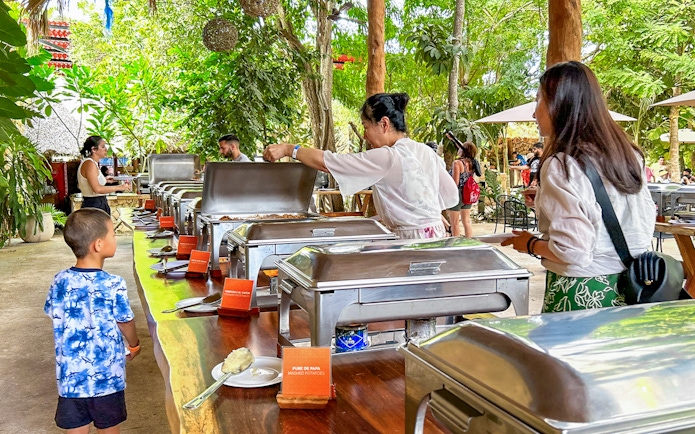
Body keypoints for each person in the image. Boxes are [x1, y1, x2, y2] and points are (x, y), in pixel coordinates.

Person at [501, 61, 655, 313]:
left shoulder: (562, 164)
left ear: (560, 104)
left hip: (580, 292)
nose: (534, 113)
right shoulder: (628, 154)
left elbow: (572, 251)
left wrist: (529, 244)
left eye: (539, 100)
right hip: (633, 288)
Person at [263, 92, 459, 239]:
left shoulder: (387, 157)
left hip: (410, 242)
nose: (364, 135)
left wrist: (290, 149)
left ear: (384, 124)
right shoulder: (425, 151)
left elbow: (328, 162)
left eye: (366, 127)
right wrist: (426, 217)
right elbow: (448, 193)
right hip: (436, 237)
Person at [44, 208, 141, 433]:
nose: (115, 239)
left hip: (71, 379)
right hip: (107, 379)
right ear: (98, 245)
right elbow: (125, 321)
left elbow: (54, 313)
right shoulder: (113, 284)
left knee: (76, 427)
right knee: (109, 428)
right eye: (113, 235)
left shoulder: (59, 281)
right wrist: (134, 344)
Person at [78, 136, 130, 215]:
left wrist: (105, 180)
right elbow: (97, 189)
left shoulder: (93, 163)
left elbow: (92, 182)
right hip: (94, 205)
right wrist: (119, 187)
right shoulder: (89, 164)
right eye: (103, 147)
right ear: (94, 149)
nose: (106, 149)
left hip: (97, 203)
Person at [447, 141, 481, 237]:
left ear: (463, 151)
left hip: (458, 194)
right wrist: (453, 139)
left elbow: (455, 183)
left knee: (455, 223)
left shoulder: (457, 163)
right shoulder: (473, 163)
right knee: (467, 221)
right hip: (468, 193)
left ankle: (456, 246)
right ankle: (469, 243)